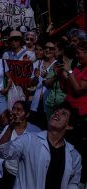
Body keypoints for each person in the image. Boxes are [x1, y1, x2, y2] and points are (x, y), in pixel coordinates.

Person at [0, 102, 82, 189]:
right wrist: (11, 126)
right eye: (56, 111)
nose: (57, 113)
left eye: (63, 113)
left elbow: (73, 183)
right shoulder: (29, 139)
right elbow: (2, 152)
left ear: (69, 126)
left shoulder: (74, 155)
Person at [61, 40, 87, 183]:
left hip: (81, 115)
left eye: (79, 53)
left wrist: (69, 71)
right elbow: (67, 87)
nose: (77, 56)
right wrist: (62, 73)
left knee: (79, 148)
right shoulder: (78, 68)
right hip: (70, 110)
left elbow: (78, 89)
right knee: (68, 146)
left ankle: (80, 180)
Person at [29, 41, 57, 129]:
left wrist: (46, 79)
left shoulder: (57, 64)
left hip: (50, 103)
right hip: (36, 103)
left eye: (51, 49)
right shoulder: (37, 63)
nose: (48, 50)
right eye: (46, 48)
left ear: (55, 50)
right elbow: (31, 83)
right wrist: (36, 78)